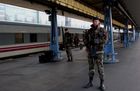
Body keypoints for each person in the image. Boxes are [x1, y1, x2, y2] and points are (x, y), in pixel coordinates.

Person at [83, 17, 108, 91]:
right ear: (92, 22)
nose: (95, 22)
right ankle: (90, 82)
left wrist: (99, 41)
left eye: (96, 21)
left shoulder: (102, 30)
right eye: (94, 21)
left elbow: (106, 39)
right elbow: (85, 39)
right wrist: (87, 44)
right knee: (91, 68)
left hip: (99, 52)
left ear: (99, 22)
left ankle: (102, 84)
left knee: (100, 68)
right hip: (91, 51)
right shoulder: (89, 31)